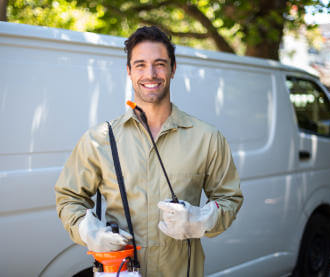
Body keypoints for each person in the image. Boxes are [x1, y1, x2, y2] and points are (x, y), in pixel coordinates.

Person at [55, 26, 243, 277]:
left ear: (173, 69)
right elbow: (69, 199)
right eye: (140, 65)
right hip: (119, 272)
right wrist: (89, 232)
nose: (150, 74)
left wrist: (202, 220)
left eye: (160, 64)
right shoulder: (99, 139)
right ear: (129, 71)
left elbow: (229, 199)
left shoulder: (207, 137)